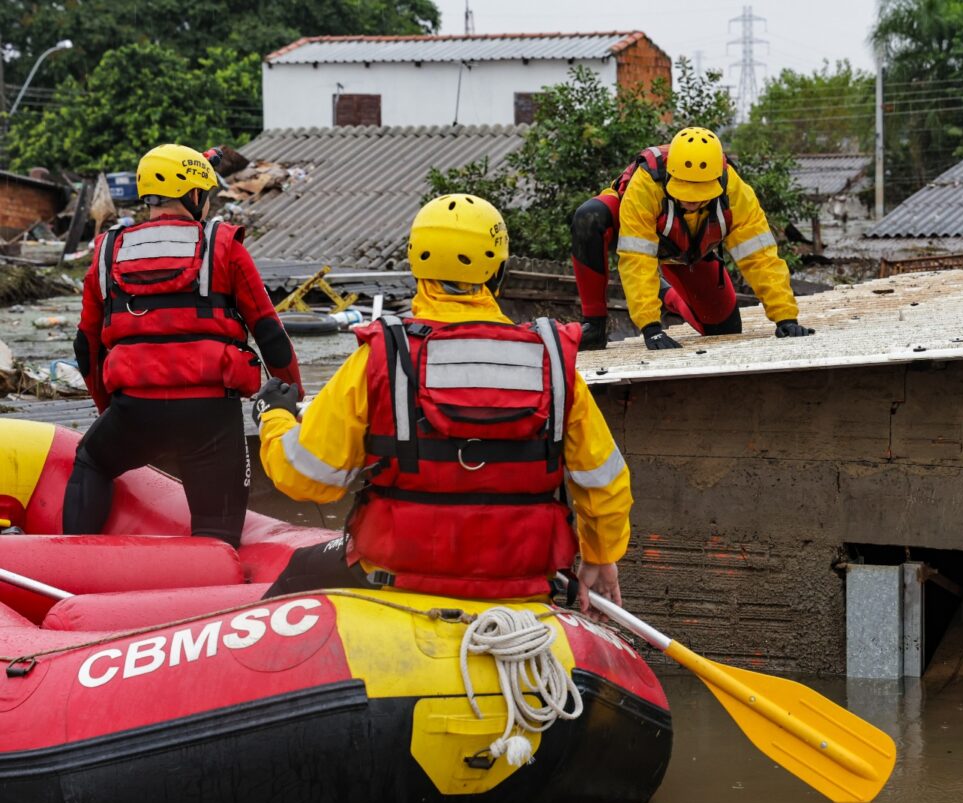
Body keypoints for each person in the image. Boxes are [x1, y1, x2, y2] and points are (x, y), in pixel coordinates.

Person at [255, 194, 630, 611]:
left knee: (298, 572)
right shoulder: (553, 363)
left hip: (400, 579)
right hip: (523, 583)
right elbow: (604, 482)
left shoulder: (382, 356)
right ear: (500, 270)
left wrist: (275, 417)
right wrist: (600, 555)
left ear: (417, 266)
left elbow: (308, 477)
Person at [65, 143, 303, 546]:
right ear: (194, 196)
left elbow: (86, 348)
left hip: (133, 411)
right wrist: (291, 399)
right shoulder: (225, 247)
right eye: (205, 196)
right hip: (210, 418)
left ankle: (69, 561)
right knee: (217, 534)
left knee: (92, 461)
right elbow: (271, 336)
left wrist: (112, 411)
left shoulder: (106, 252)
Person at [570, 126, 815, 350]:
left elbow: (760, 257)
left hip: (692, 251)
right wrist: (651, 328)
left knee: (723, 330)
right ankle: (594, 325)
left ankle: (665, 293)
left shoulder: (735, 191)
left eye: (700, 193)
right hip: (635, 232)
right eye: (685, 190)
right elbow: (637, 258)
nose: (692, 200)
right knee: (589, 217)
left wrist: (785, 317)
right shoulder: (647, 184)